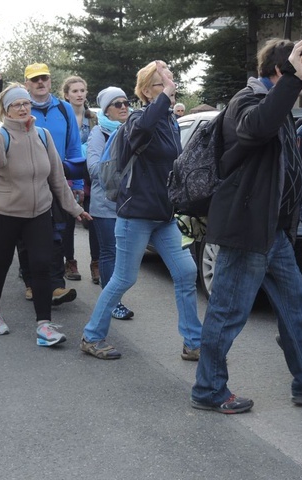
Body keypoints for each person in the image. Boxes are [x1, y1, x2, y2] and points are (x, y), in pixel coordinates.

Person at [191, 38, 302, 414]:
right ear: (281, 72)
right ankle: (208, 389)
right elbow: (256, 128)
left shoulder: (277, 102)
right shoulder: (247, 100)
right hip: (247, 230)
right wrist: (292, 83)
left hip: (273, 230)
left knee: (297, 308)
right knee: (228, 313)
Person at [80, 60, 202, 361]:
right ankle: (92, 336)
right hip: (135, 215)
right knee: (123, 278)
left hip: (163, 216)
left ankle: (194, 342)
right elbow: (146, 125)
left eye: (172, 81)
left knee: (187, 272)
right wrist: (163, 99)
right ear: (148, 91)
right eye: (164, 83)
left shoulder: (171, 122)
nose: (171, 87)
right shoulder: (138, 120)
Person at [0, 84, 90, 345]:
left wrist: (75, 209)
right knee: (1, 264)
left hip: (38, 212)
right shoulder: (1, 133)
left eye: (26, 103)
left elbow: (57, 177)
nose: (22, 108)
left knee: (42, 265)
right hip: (3, 213)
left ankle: (44, 325)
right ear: (6, 110)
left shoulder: (43, 135)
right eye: (16, 105)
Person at [21, 63, 80, 305]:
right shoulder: (19, 108)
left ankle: (56, 285)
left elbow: (74, 147)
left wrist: (76, 181)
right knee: (27, 235)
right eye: (35, 80)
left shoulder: (65, 109)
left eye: (44, 78)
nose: (40, 83)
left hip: (58, 180)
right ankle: (31, 283)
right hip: (26, 181)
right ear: (27, 84)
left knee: (58, 233)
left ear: (50, 81)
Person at [86, 86, 135, 321]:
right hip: (105, 203)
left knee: (124, 254)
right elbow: (94, 169)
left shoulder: (135, 128)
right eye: (117, 104)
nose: (123, 107)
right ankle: (112, 302)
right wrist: (121, 161)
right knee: (109, 252)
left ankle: (114, 297)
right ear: (107, 110)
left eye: (125, 102)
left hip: (129, 203)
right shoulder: (99, 133)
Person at [61, 76, 98, 283]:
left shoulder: (92, 118)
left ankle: (96, 263)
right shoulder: (62, 116)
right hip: (66, 172)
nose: (79, 94)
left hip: (88, 174)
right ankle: (70, 261)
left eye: (82, 90)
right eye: (74, 91)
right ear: (66, 94)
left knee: (93, 219)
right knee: (67, 220)